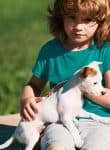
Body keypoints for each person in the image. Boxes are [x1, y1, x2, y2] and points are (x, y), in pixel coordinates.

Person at [20, 0, 110, 150]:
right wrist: (27, 98)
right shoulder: (50, 51)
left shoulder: (105, 51)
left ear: (101, 20)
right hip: (59, 121)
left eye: (88, 20)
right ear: (60, 16)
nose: (79, 26)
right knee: (56, 147)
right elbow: (34, 85)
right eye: (72, 17)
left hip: (97, 122)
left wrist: (81, 87)